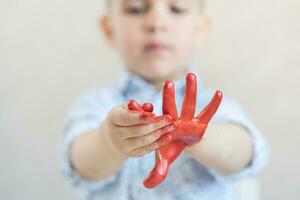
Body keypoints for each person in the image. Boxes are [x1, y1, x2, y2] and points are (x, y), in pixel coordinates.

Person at [60, 0, 269, 199]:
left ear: (200, 29)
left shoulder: (214, 104)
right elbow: (81, 166)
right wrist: (109, 141)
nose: (156, 23)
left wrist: (201, 136)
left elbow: (245, 153)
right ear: (109, 30)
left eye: (176, 8)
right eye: (136, 8)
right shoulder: (95, 104)